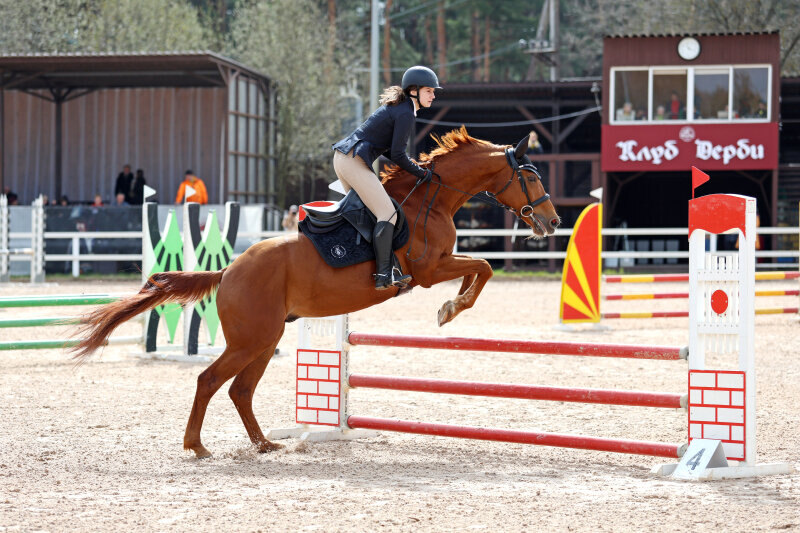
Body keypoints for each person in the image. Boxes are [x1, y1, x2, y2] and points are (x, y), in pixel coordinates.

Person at [331, 65, 440, 290]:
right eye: (429, 90)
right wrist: (422, 173)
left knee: (366, 214)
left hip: (343, 158)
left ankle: (350, 262)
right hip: (353, 161)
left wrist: (417, 167)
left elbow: (390, 150)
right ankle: (383, 275)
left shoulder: (400, 108)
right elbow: (398, 154)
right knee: (387, 214)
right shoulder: (406, 112)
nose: (433, 95)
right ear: (414, 90)